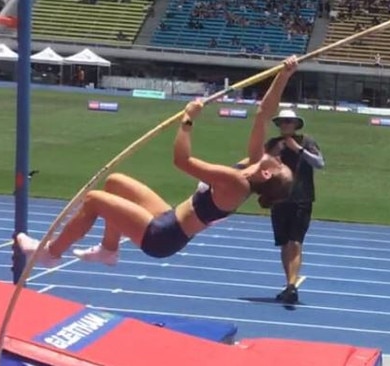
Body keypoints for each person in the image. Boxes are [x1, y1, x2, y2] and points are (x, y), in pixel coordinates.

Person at [16, 56, 300, 267]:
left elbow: (182, 160)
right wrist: (285, 74)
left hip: (163, 236)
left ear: (265, 174)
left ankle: (50, 254)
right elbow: (264, 113)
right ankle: (108, 249)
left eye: (279, 164)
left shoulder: (236, 182)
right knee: (115, 183)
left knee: (93, 200)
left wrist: (188, 120)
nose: (277, 156)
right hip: (169, 217)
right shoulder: (251, 164)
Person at [265, 108, 325, 304]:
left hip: (302, 198)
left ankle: (292, 286)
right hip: (279, 200)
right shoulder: (273, 144)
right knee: (283, 243)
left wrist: (298, 150)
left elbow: (320, 163)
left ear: (296, 124)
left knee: (295, 242)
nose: (286, 125)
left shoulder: (306, 142)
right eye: (283, 122)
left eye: (289, 122)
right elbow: (262, 168)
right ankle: (288, 285)